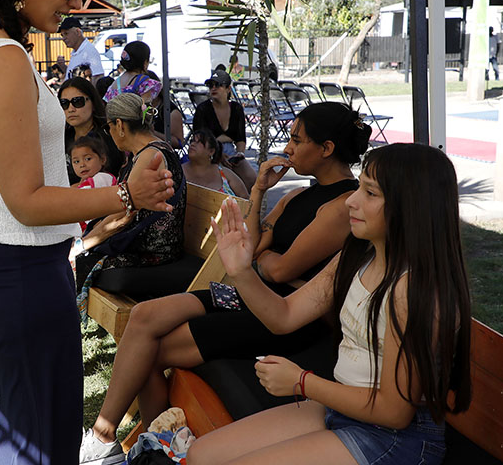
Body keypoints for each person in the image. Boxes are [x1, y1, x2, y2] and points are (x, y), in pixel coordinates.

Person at [0, 0, 174, 465]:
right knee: (40, 439)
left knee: (31, 429)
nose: (75, 2)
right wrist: (126, 195)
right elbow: (26, 201)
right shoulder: (2, 57)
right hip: (20, 267)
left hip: (13, 266)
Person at [80, 103, 372, 465]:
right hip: (251, 294)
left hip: (285, 314)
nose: (288, 148)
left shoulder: (341, 206)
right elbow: (253, 250)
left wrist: (263, 260)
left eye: (297, 140)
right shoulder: (298, 195)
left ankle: (142, 445)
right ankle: (121, 438)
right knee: (144, 316)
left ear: (326, 148)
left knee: (151, 351)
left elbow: (280, 270)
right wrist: (259, 190)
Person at [187, 143, 473, 465]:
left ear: (411, 207)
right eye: (359, 187)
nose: (351, 200)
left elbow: (394, 412)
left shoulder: (414, 291)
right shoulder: (358, 255)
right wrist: (241, 271)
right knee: (200, 455)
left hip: (394, 439)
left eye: (370, 193)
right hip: (344, 409)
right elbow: (284, 316)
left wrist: (302, 382)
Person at [73, 92, 187, 299]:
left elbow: (122, 217)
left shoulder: (149, 156)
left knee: (71, 265)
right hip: (153, 246)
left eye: (108, 127)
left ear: (119, 125)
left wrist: (82, 245)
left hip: (153, 252)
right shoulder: (152, 149)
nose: (109, 133)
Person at [190, 69, 256, 190]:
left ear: (228, 89)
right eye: (210, 85)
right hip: (208, 151)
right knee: (224, 179)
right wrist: (219, 154)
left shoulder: (236, 108)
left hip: (231, 153)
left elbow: (240, 138)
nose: (213, 88)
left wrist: (240, 154)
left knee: (251, 177)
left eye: (218, 85)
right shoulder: (203, 109)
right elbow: (199, 138)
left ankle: (243, 201)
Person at [60, 76, 125, 184]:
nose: (71, 109)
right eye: (64, 103)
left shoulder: (108, 137)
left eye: (78, 101)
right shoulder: (60, 139)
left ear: (93, 103)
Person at [182, 128, 248, 198]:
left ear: (211, 151)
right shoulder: (179, 171)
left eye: (199, 142)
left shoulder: (225, 174)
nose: (192, 144)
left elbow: (246, 199)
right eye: (192, 141)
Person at [70, 135, 118, 231]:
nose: (82, 165)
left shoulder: (102, 178)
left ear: (103, 159)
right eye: (76, 161)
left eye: (88, 159)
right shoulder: (83, 183)